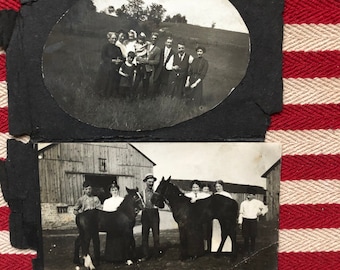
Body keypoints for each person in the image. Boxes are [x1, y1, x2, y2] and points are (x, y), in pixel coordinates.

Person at [73, 181, 102, 265]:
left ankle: (97, 258)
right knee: (84, 239)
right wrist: (79, 216)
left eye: (90, 188)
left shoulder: (95, 198)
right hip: (85, 223)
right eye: (86, 189)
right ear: (84, 190)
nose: (88, 190)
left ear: (92, 189)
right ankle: (82, 257)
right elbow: (75, 210)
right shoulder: (81, 199)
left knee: (96, 239)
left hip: (94, 222)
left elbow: (100, 209)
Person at [238, 187, 268, 256]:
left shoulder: (258, 202)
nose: (249, 195)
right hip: (245, 220)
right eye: (248, 194)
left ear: (254, 195)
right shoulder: (243, 203)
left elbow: (265, 208)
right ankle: (246, 250)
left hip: (253, 220)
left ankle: (252, 250)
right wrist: (240, 222)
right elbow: (241, 213)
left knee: (253, 235)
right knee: (245, 236)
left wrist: (260, 213)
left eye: (250, 194)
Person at [140, 173, 162, 261]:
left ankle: (156, 254)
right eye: (149, 182)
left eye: (152, 182)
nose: (150, 184)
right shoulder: (142, 193)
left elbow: (162, 205)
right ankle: (145, 255)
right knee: (145, 235)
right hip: (145, 214)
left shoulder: (156, 193)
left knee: (156, 235)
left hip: (154, 214)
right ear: (146, 182)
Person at [94, 32, 123, 97]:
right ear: (109, 39)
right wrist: (112, 60)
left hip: (115, 67)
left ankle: (111, 94)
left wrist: (119, 60)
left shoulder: (118, 48)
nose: (114, 40)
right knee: (106, 79)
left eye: (115, 38)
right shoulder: (105, 47)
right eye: (112, 38)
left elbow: (120, 57)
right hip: (106, 67)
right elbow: (104, 57)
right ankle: (102, 94)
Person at [102, 183, 124, 261]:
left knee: (120, 239)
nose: (114, 191)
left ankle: (121, 256)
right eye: (112, 190)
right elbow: (105, 213)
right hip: (111, 223)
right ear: (110, 192)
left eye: (116, 190)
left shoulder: (122, 200)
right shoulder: (107, 201)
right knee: (111, 239)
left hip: (120, 223)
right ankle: (110, 257)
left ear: (118, 190)